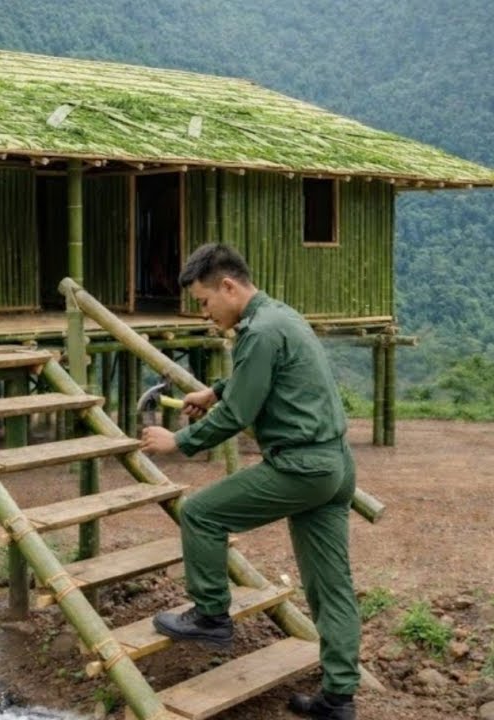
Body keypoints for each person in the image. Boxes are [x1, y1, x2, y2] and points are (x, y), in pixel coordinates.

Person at [139, 243, 361, 720]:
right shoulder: (280, 316)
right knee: (331, 586)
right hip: (336, 465)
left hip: (301, 466)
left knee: (200, 513)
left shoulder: (257, 332)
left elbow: (238, 414)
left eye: (204, 302)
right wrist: (214, 390)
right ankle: (338, 698)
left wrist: (177, 442)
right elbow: (260, 378)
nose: (205, 314)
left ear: (228, 286)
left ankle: (210, 615)